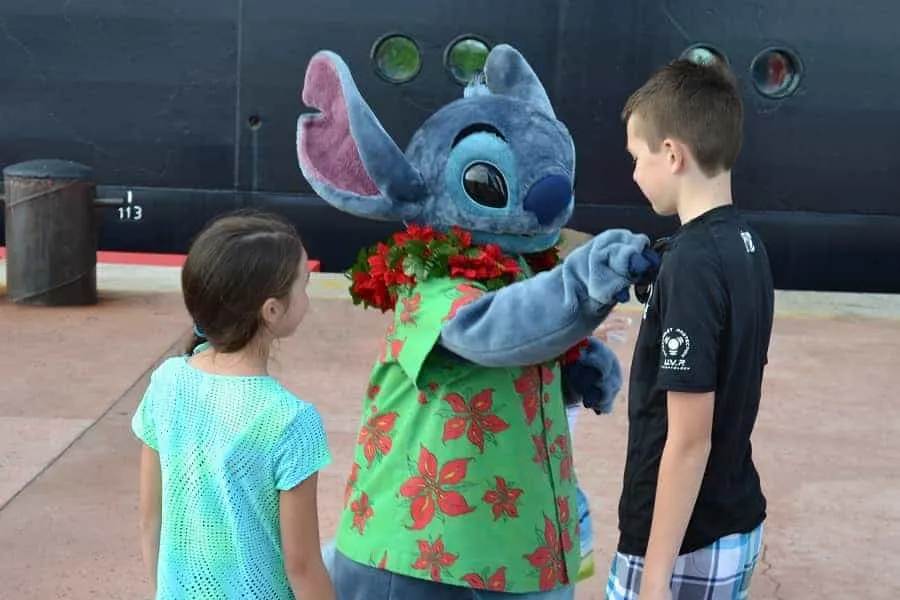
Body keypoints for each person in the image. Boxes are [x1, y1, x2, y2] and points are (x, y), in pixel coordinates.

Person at [606, 58, 775, 600]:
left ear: (673, 154)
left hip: (684, 543)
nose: (634, 173)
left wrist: (655, 577)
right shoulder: (747, 245)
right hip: (734, 514)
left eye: (638, 157)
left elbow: (688, 439)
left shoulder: (693, 264)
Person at [131, 211, 335, 600]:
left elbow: (150, 520)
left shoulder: (168, 382)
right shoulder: (291, 420)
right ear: (272, 310)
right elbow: (302, 566)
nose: (307, 297)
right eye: (303, 285)